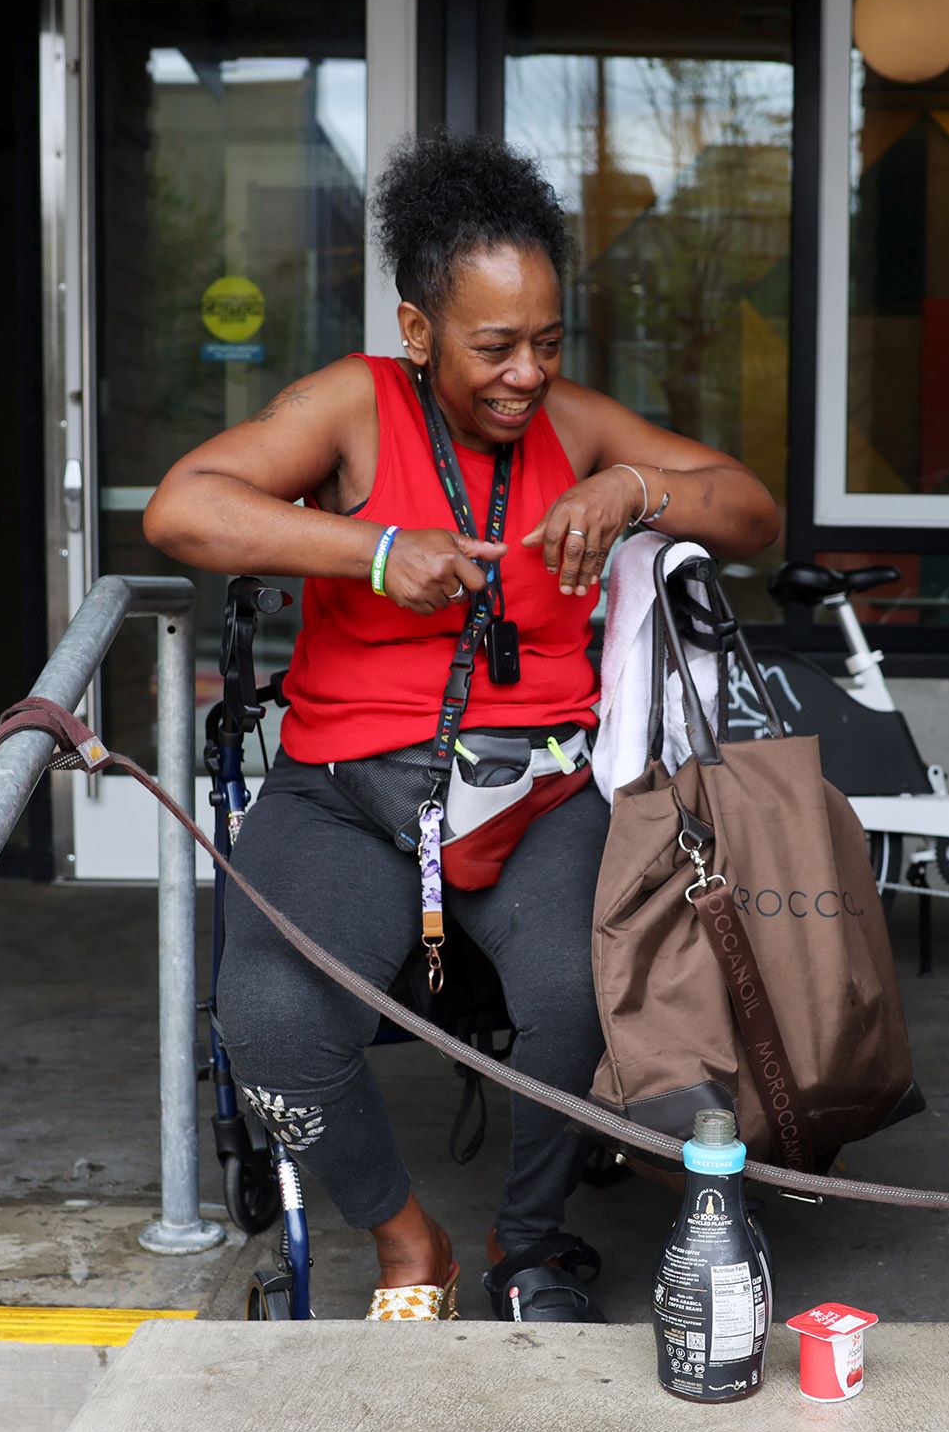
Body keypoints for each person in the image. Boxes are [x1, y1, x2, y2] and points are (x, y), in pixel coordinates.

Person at [143, 132, 780, 1321]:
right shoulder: (353, 405)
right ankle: (405, 1240)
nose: (526, 374)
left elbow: (749, 509)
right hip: (345, 791)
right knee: (268, 1016)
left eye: (546, 342)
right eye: (493, 346)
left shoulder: (578, 428)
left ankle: (528, 1242)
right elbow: (186, 508)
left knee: (576, 997)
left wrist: (632, 488)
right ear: (420, 330)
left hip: (539, 794)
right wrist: (372, 551)